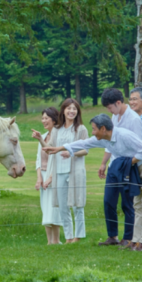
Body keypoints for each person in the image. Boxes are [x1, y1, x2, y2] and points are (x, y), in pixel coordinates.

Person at [44, 114, 142, 251]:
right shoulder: (104, 139)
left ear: (103, 129)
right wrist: (59, 148)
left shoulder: (124, 135)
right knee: (137, 205)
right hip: (133, 168)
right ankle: (136, 241)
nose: (92, 132)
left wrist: (126, 163)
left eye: (94, 129)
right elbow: (84, 143)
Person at [33, 98, 89, 244]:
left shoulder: (81, 129)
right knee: (63, 206)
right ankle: (69, 237)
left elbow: (85, 150)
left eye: (74, 109)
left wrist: (72, 153)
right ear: (63, 110)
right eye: (69, 108)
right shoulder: (57, 130)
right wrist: (40, 138)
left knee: (77, 204)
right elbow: (49, 148)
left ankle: (78, 236)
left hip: (75, 171)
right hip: (59, 172)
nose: (72, 111)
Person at [98, 88, 142, 247]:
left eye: (110, 107)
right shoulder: (114, 117)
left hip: (127, 165)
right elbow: (110, 142)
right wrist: (104, 162)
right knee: (108, 200)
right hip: (113, 165)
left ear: (118, 103)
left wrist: (129, 164)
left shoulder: (134, 119)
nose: (109, 111)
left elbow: (139, 145)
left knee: (127, 203)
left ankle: (128, 237)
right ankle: (112, 236)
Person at [32, 107, 62, 245]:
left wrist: (50, 177)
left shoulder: (58, 135)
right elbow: (39, 158)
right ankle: (49, 241)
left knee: (53, 208)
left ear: (54, 119)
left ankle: (56, 240)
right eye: (42, 118)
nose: (43, 120)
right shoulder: (43, 136)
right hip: (43, 175)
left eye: (46, 118)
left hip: (54, 175)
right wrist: (39, 178)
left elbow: (56, 157)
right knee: (45, 208)